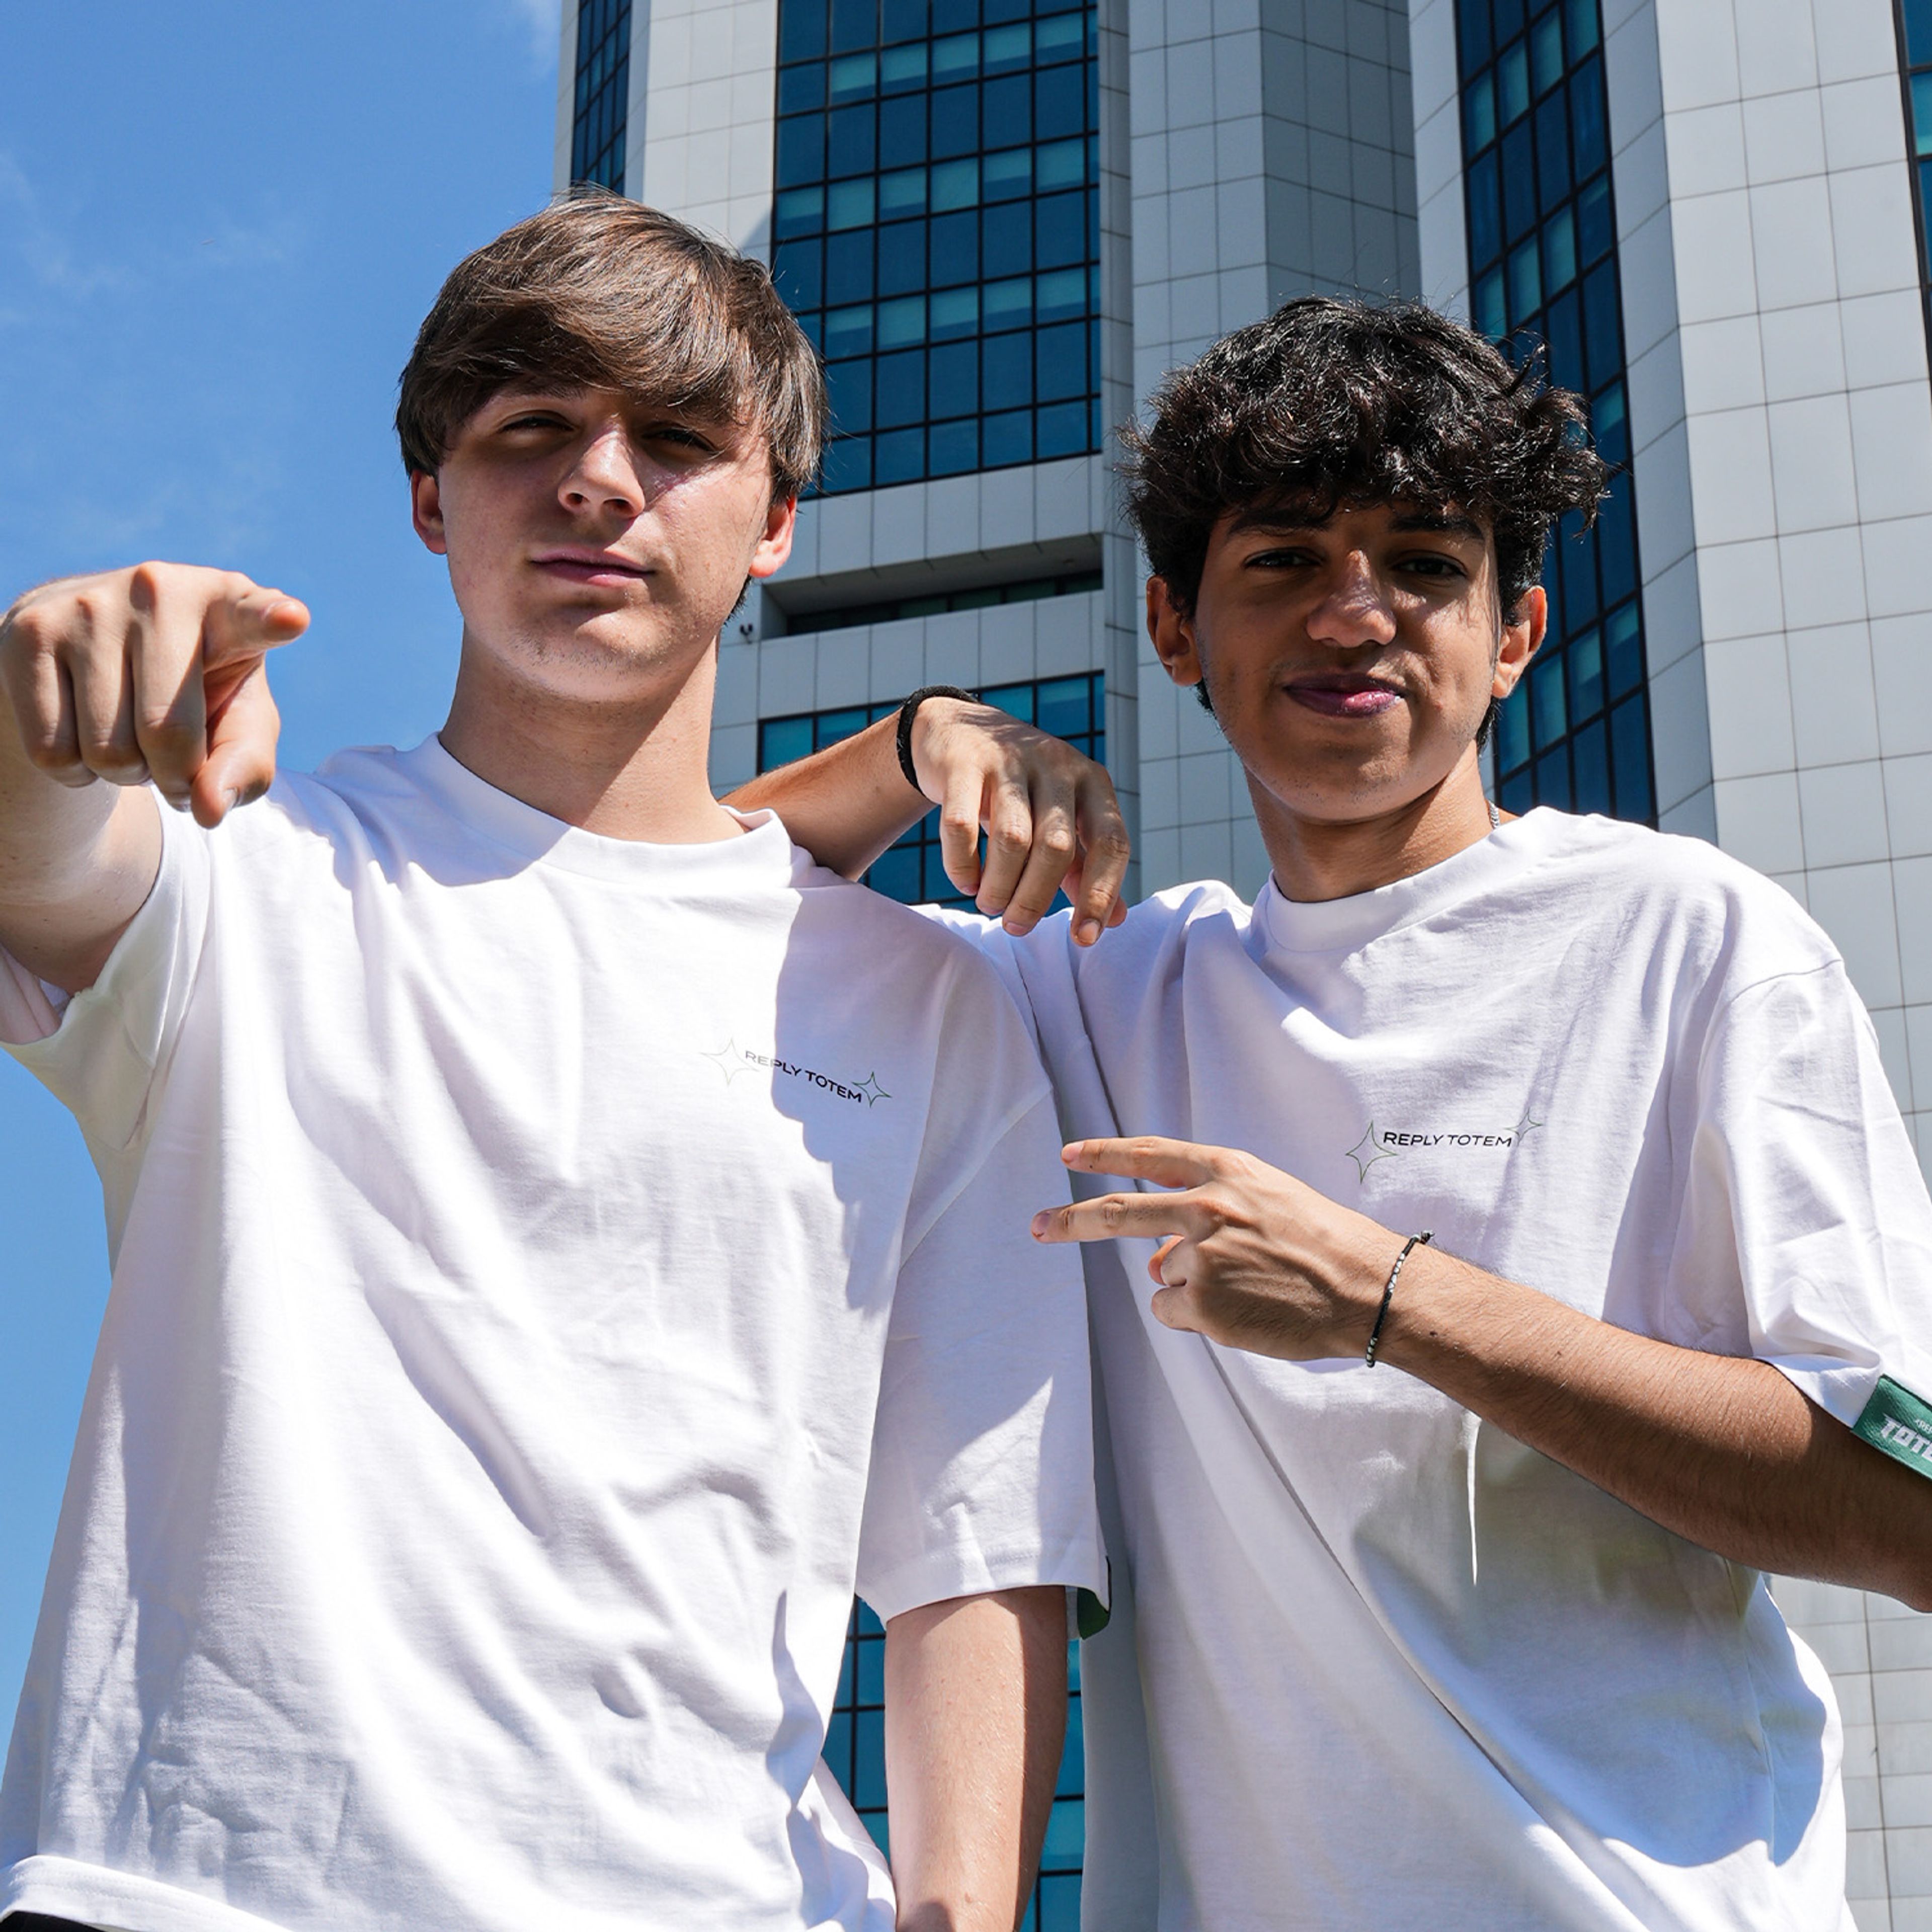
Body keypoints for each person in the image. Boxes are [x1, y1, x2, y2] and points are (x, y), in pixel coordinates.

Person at [737, 296, 1932, 1931]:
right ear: (1175, 629)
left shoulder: (1690, 938)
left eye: (1426, 563)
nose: (1356, 614)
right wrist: (917, 739)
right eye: (1286, 561)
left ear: (1511, 632)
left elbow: (1909, 1508)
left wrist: (1394, 1301)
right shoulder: (1092, 986)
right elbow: (684, 911)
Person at [0, 194, 1108, 1932]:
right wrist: (35, 715)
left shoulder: (933, 1004)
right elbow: (35, 867)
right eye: (533, 431)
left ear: (778, 527)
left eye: (675, 441)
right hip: (200, 1892)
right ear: (432, 498)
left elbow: (981, 1541)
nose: (600, 481)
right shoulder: (246, 877)